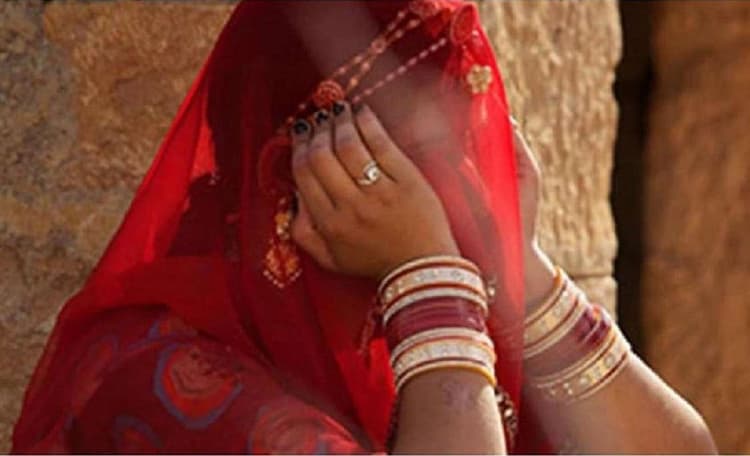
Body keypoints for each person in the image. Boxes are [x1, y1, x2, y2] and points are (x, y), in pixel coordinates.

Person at [12, 1, 716, 453]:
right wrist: (425, 271)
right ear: (298, 179)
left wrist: (520, 272)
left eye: (467, 142)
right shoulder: (155, 372)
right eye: (413, 156)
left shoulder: (422, 322)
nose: (454, 186)